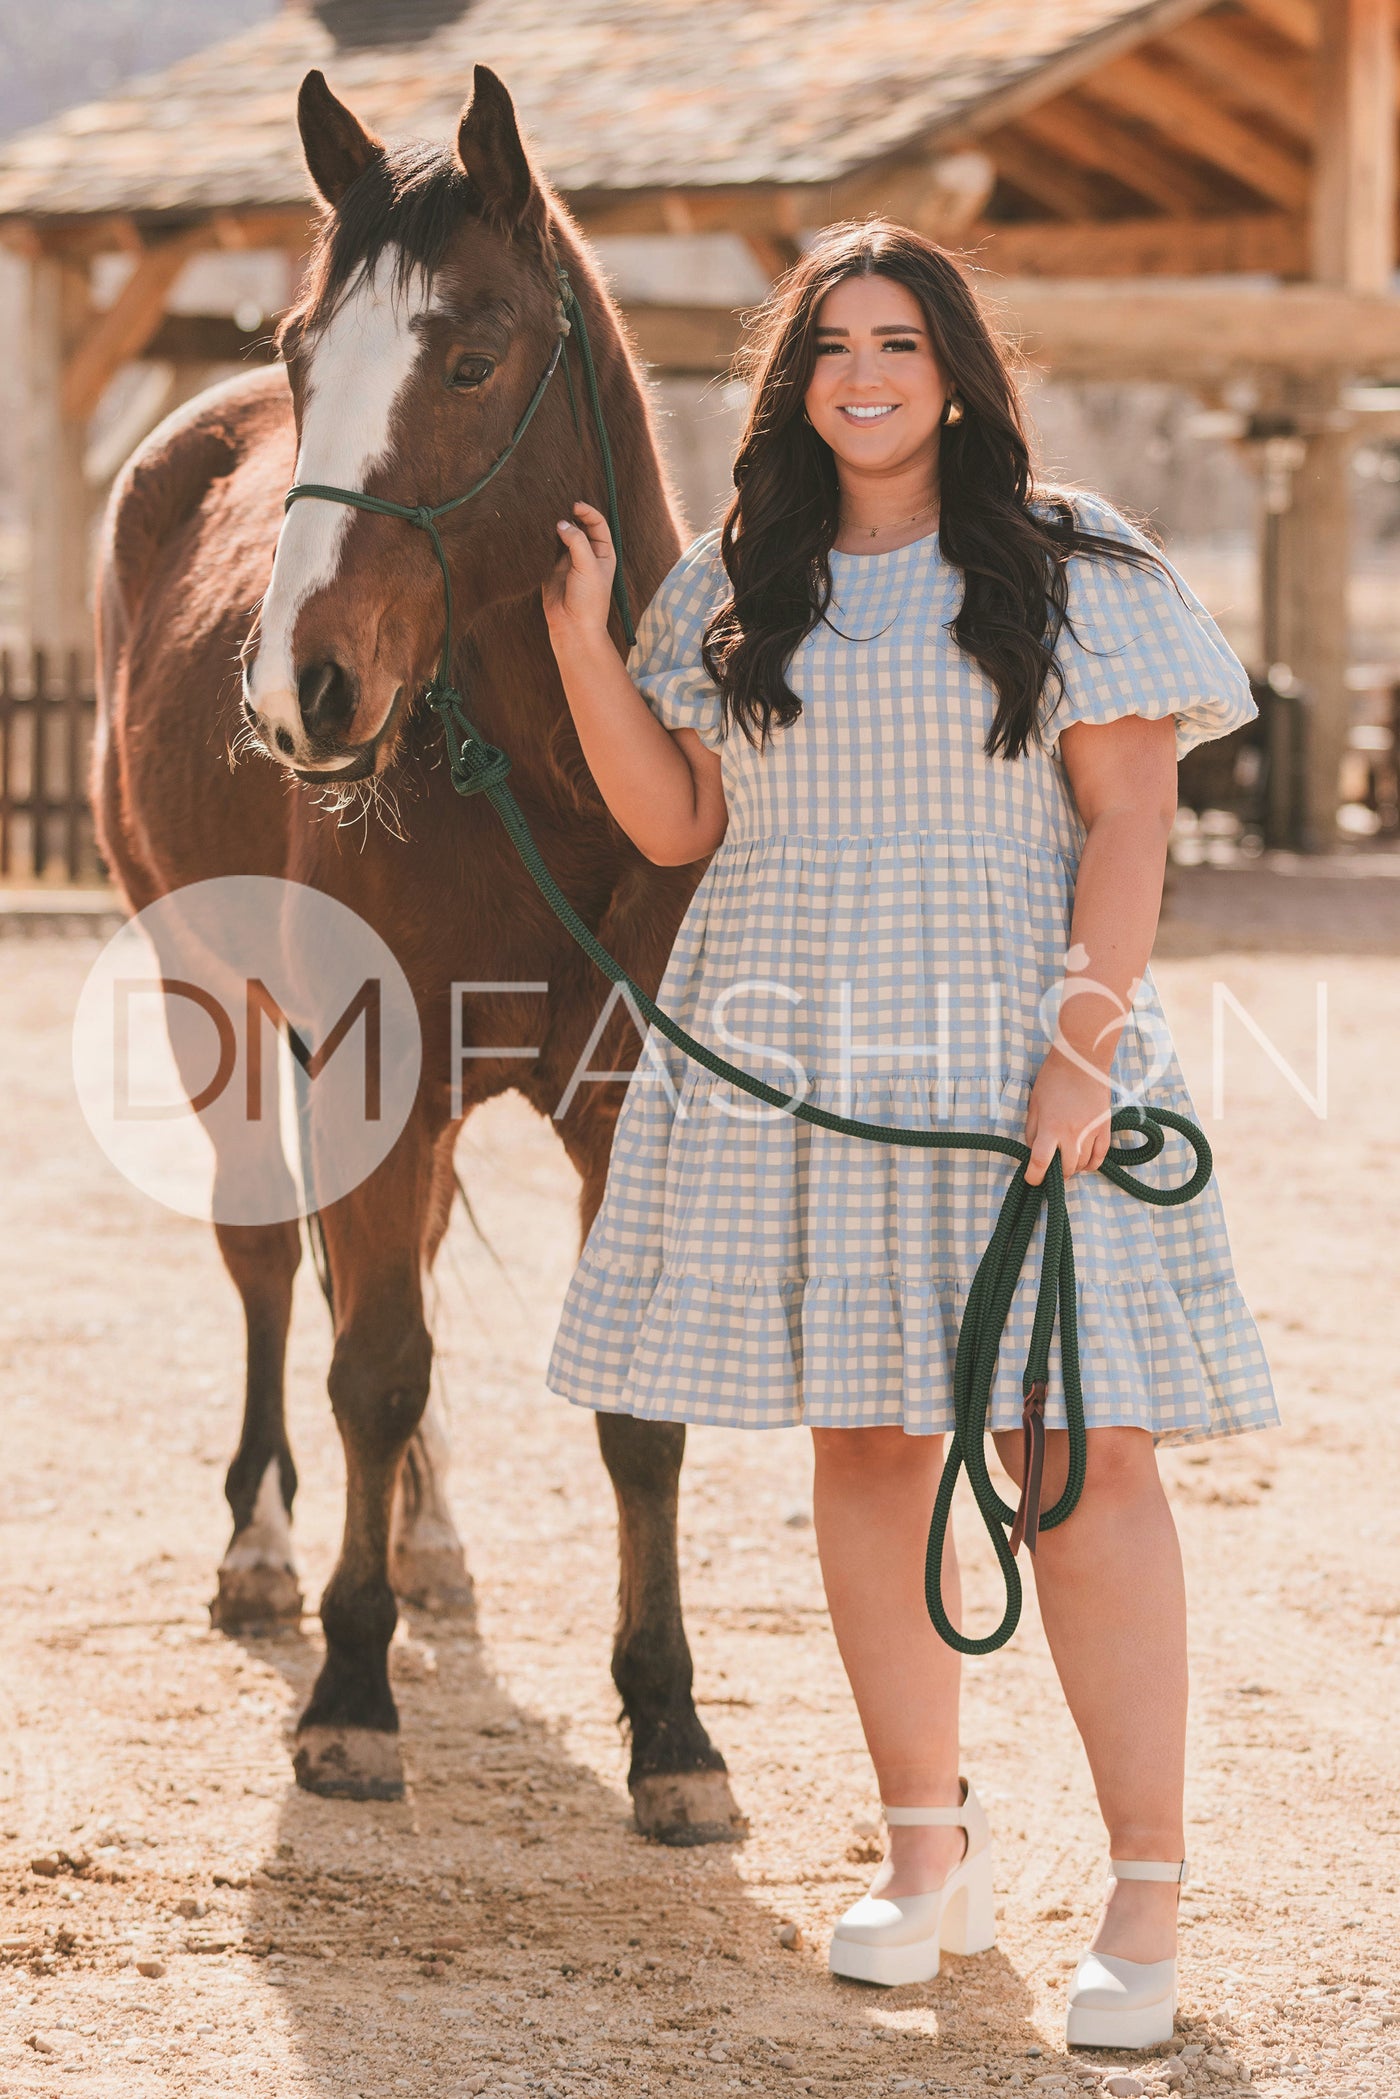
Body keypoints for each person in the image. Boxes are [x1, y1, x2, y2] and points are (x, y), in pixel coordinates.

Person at [540, 218, 1277, 2053]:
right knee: (866, 1443)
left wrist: (1082, 1054)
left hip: (1025, 1046)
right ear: (793, 379)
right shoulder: (734, 575)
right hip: (796, 1042)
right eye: (829, 345)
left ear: (956, 370)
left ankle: (1145, 1894)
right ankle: (921, 1857)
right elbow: (674, 824)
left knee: (1075, 1452)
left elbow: (1126, 826)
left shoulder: (1070, 557)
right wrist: (573, 642)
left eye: (898, 340)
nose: (863, 372)